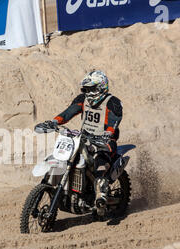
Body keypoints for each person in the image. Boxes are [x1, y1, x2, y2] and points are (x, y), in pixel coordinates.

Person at [43, 70, 123, 215]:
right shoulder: (83, 99)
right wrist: (54, 121)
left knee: (100, 164)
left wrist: (108, 133)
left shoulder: (112, 102)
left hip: (105, 141)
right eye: (86, 89)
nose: (88, 92)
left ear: (100, 87)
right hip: (84, 139)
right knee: (66, 157)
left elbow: (114, 120)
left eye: (91, 89)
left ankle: (101, 199)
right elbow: (69, 112)